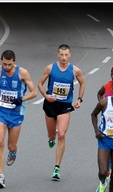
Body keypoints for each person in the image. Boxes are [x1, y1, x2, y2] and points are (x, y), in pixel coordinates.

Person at [0, 50, 37, 188]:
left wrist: (21, 99)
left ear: (14, 61)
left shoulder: (23, 73)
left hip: (16, 113)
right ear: (0, 60)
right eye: (4, 64)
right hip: (1, 111)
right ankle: (1, 177)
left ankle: (13, 151)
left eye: (9, 64)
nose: (7, 67)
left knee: (11, 145)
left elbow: (34, 92)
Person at [37, 44, 85, 180]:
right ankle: (51, 138)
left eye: (66, 55)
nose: (64, 58)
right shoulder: (50, 68)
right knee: (52, 135)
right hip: (50, 104)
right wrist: (46, 96)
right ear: (58, 55)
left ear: (70, 55)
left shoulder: (75, 70)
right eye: (61, 55)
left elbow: (82, 83)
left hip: (64, 105)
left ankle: (57, 167)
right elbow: (39, 84)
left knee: (62, 135)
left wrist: (79, 99)